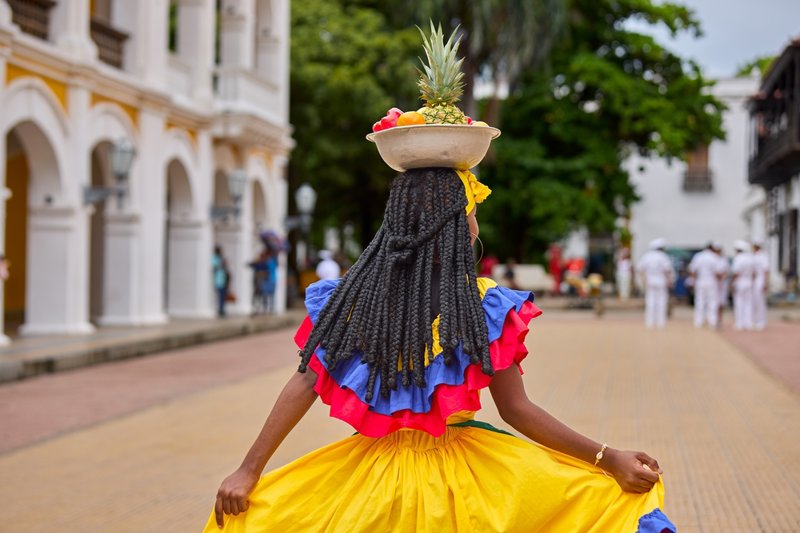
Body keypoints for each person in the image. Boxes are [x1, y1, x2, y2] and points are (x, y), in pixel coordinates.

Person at [204, 168, 674, 532]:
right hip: (467, 485)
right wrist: (604, 458)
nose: (475, 222)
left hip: (368, 483)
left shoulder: (353, 299)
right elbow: (518, 410)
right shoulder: (485, 305)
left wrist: (249, 471)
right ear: (452, 227)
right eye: (471, 210)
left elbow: (305, 381)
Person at [636, 238, 673, 328]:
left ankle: (649, 322)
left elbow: (641, 270)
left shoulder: (646, 256)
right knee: (661, 302)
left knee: (650, 302)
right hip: (661, 281)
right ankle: (661, 323)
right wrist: (670, 281)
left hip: (650, 281)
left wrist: (643, 281)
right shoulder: (663, 256)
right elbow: (667, 270)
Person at [687, 243, 725, 328]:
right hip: (711, 281)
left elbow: (692, 270)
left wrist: (692, 281)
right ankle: (712, 322)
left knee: (699, 301)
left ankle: (698, 322)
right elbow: (718, 272)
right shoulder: (714, 257)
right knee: (712, 302)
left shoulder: (698, 256)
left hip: (700, 280)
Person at [731, 240, 756, 330]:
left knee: (739, 302)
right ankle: (748, 323)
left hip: (740, 281)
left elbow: (736, 272)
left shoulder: (738, 258)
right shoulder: (751, 258)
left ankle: (740, 323)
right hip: (749, 281)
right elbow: (754, 273)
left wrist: (732, 283)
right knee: (748, 303)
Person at [751, 241, 770, 330]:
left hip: (760, 280)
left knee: (760, 302)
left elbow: (766, 271)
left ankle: (761, 321)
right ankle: (756, 320)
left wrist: (766, 283)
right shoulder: (754, 256)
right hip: (755, 281)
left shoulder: (763, 256)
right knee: (755, 301)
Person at [712, 243, 729, 328]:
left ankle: (720, 320)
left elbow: (726, 271)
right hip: (713, 283)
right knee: (713, 302)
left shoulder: (723, 260)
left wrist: (722, 276)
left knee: (721, 303)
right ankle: (713, 319)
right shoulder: (712, 259)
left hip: (722, 283)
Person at [212, 246, 230, 318]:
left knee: (223, 296)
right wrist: (221, 263)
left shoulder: (220, 259)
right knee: (220, 296)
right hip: (218, 281)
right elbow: (215, 268)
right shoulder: (215, 259)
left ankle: (222, 309)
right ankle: (220, 310)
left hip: (223, 280)